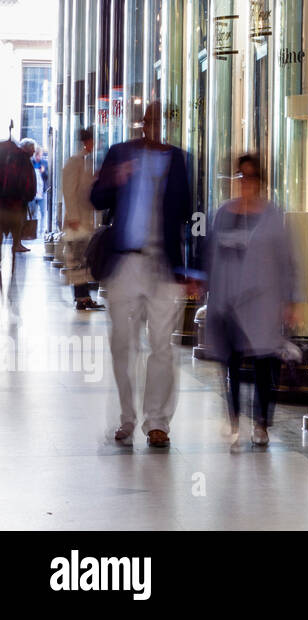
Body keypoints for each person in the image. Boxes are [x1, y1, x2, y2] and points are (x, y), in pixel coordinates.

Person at [90, 102, 194, 449]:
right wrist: (115, 179)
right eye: (147, 120)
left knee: (163, 346)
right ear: (141, 123)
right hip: (126, 262)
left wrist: (191, 269)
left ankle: (157, 422)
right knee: (123, 344)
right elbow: (96, 198)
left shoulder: (178, 159)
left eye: (158, 120)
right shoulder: (120, 153)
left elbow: (188, 213)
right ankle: (126, 418)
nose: (152, 126)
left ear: (165, 123)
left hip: (164, 266)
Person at [204, 153, 298, 448]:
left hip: (262, 303)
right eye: (241, 176)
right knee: (230, 365)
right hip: (227, 302)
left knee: (263, 365)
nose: (245, 183)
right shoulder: (222, 214)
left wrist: (291, 301)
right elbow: (211, 257)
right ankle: (233, 419)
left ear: (260, 182)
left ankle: (261, 423)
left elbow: (288, 261)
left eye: (251, 177)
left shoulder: (273, 216)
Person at [62, 130, 104, 311]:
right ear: (87, 141)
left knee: (83, 259)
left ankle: (84, 296)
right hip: (77, 220)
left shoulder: (85, 162)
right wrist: (73, 217)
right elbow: (69, 190)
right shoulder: (75, 162)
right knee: (78, 259)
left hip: (84, 219)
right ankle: (81, 297)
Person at [0, 131, 36, 254]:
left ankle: (16, 245)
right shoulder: (22, 159)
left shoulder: (10, 156)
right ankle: (16, 245)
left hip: (7, 199)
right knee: (17, 224)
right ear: (26, 148)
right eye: (32, 148)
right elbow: (24, 179)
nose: (34, 151)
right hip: (16, 200)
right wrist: (26, 195)